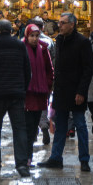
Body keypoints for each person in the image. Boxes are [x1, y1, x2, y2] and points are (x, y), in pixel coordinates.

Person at [38, 12, 93, 172]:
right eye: (59, 22)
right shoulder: (59, 40)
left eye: (63, 23)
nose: (59, 25)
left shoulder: (83, 42)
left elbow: (88, 69)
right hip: (61, 91)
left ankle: (84, 160)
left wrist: (81, 91)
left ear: (72, 24)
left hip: (76, 91)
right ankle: (56, 158)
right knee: (59, 125)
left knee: (80, 125)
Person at [0, 19, 32, 177]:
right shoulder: (20, 45)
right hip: (16, 95)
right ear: (11, 31)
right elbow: (27, 71)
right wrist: (23, 89)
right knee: (19, 129)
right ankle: (22, 164)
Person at [23, 24, 54, 166]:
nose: (34, 39)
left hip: (40, 93)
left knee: (35, 122)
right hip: (26, 94)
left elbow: (49, 69)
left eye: (36, 36)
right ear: (27, 36)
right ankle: (27, 156)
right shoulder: (22, 48)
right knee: (28, 127)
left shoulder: (43, 49)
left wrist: (47, 85)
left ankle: (28, 154)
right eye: (32, 36)